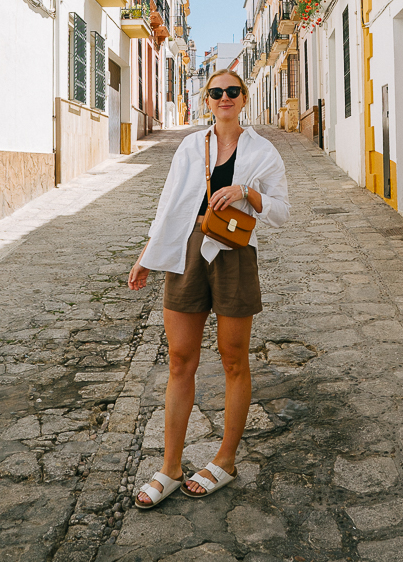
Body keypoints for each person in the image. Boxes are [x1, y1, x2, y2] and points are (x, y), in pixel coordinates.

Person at [127, 69, 289, 508]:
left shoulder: (263, 151)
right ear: (207, 99)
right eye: (216, 92)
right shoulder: (189, 146)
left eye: (232, 91)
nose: (224, 98)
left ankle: (226, 459)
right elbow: (169, 202)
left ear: (244, 96)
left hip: (234, 252)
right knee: (180, 359)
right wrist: (147, 253)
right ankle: (171, 468)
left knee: (234, 359)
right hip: (185, 250)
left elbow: (281, 212)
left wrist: (246, 192)